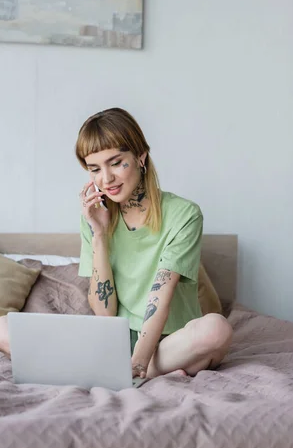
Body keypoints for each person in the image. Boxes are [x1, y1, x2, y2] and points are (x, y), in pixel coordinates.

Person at [75, 107, 232, 379]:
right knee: (3, 330)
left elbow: (160, 296)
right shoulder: (94, 218)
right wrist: (99, 235)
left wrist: (136, 366)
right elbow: (104, 311)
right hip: (115, 342)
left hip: (169, 343)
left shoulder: (184, 214)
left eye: (115, 162)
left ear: (140, 157)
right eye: (95, 169)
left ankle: (140, 370)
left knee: (216, 329)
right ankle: (158, 373)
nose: (106, 179)